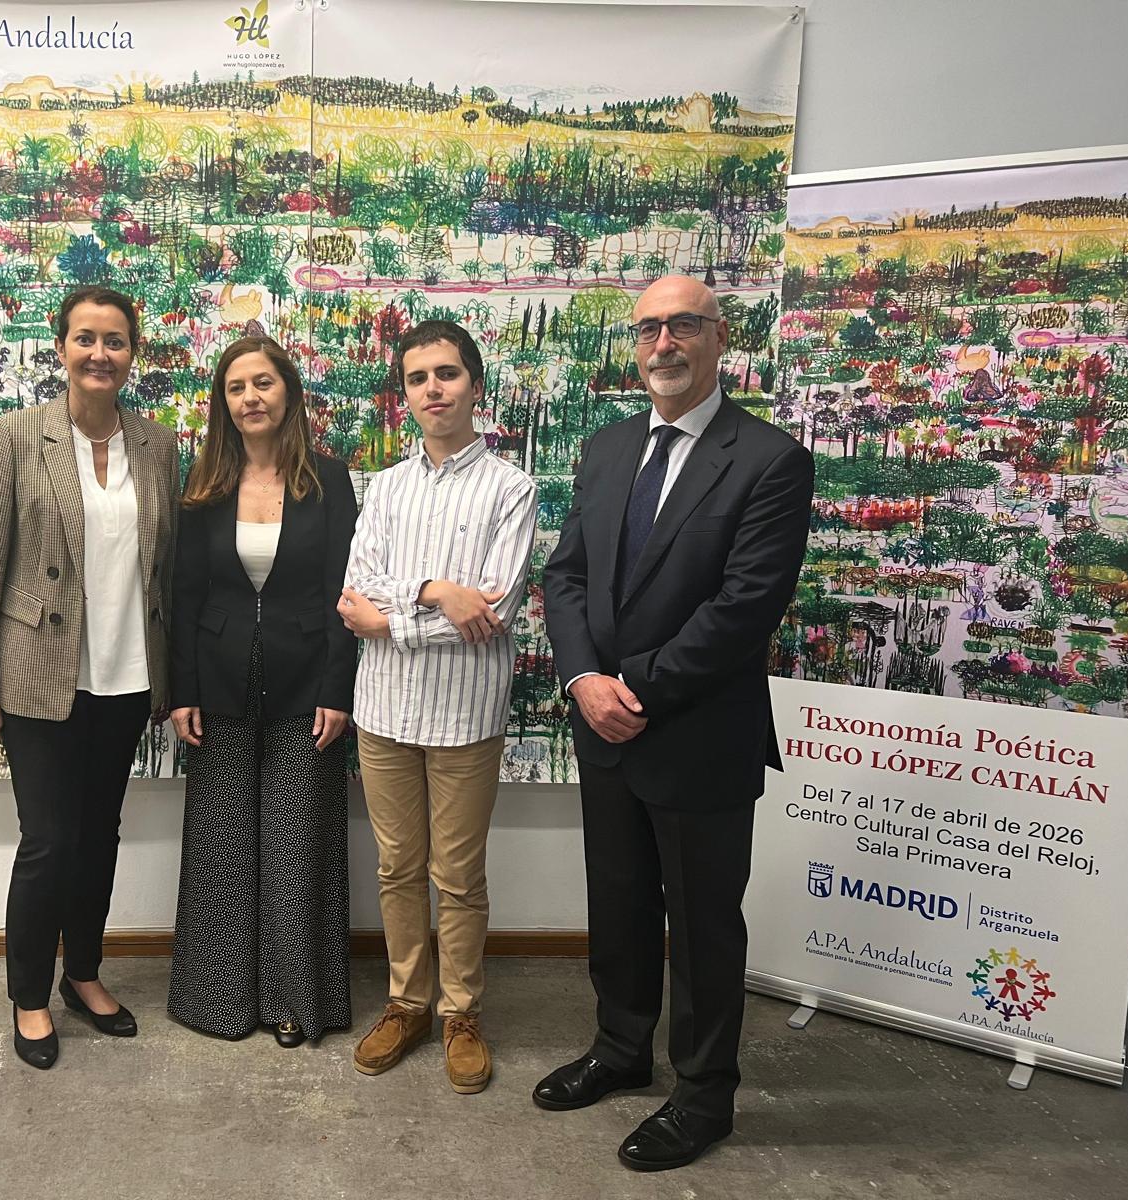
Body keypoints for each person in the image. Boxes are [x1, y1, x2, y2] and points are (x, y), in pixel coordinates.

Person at [537, 275, 813, 1169]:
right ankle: (621, 1052)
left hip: (698, 737)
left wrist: (634, 690)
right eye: (650, 326)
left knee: (701, 926)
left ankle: (703, 1096)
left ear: (718, 338)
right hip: (602, 725)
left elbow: (744, 609)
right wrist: (584, 679)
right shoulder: (607, 447)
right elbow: (566, 577)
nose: (664, 341)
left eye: (682, 325)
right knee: (615, 905)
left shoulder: (769, 460)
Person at [0, 286, 179, 1070]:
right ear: (61, 348)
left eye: (115, 340)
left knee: (99, 837)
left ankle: (82, 972)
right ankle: (28, 995)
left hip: (125, 673)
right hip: (39, 674)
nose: (99, 354)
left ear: (132, 353)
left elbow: (167, 567)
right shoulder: (19, 435)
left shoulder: (158, 444)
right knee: (48, 841)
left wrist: (171, 679)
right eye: (86, 338)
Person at [338, 319, 537, 1095]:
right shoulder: (383, 487)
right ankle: (406, 1002)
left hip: (465, 717)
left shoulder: (512, 489)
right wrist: (434, 594)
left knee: (456, 876)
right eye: (418, 378)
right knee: (395, 868)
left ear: (475, 385)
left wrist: (398, 617)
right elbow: (356, 591)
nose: (433, 390)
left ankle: (461, 1013)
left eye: (447, 374)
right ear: (405, 393)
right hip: (382, 711)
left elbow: (497, 612)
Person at [167, 336, 358, 1047]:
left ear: (289, 394)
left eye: (263, 384)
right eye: (236, 387)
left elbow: (347, 591)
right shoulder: (204, 483)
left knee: (296, 843)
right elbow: (184, 594)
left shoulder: (329, 482)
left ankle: (293, 1001)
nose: (250, 397)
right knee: (221, 845)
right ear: (225, 402)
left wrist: (338, 691)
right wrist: (181, 689)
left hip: (308, 683)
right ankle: (218, 1001)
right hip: (216, 685)